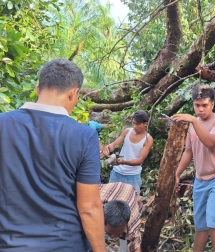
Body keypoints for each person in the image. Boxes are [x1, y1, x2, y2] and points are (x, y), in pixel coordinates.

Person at [0, 59, 106, 251]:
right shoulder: (84, 136)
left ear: (38, 89)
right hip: (64, 244)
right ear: (73, 93)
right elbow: (89, 208)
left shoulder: (3, 124)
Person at [172, 84, 215, 252]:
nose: (200, 109)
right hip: (200, 180)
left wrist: (193, 119)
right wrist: (177, 174)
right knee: (200, 224)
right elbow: (188, 152)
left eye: (204, 105)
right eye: (197, 105)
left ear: (212, 105)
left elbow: (209, 142)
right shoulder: (193, 126)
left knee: (214, 219)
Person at [103, 110, 154, 194]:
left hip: (133, 176)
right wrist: (108, 148)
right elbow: (115, 145)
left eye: (138, 124)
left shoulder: (148, 139)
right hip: (116, 172)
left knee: (132, 203)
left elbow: (139, 161)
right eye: (133, 123)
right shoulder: (127, 131)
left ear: (145, 124)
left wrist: (123, 162)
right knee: (110, 198)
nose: (135, 126)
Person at [99, 182, 142, 252]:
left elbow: (136, 247)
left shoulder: (133, 225)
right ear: (102, 220)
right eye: (110, 232)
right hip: (107, 191)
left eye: (118, 233)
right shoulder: (94, 206)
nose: (113, 236)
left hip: (130, 191)